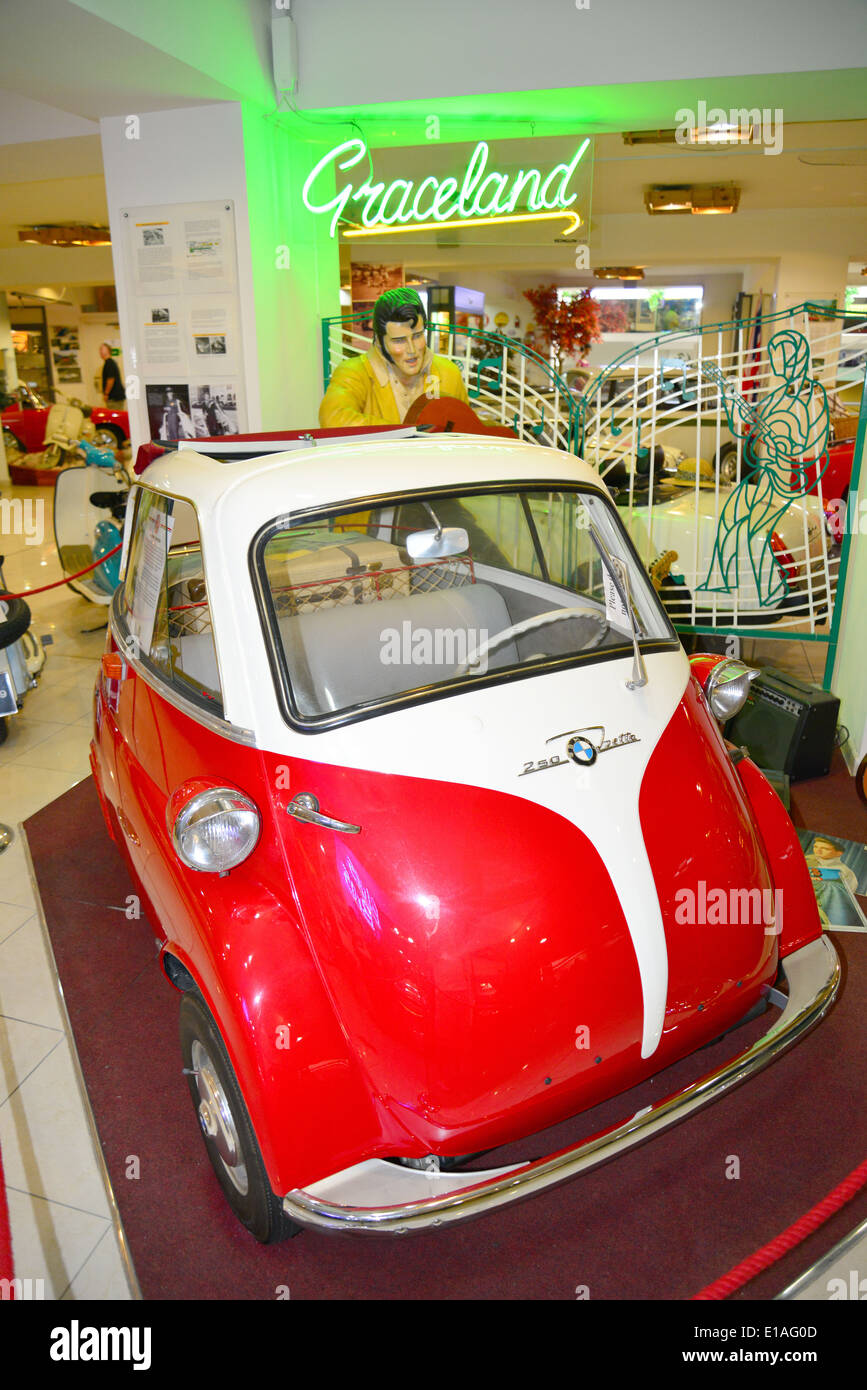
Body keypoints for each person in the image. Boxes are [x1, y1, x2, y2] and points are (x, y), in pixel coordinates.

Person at [319, 287, 469, 428]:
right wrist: (404, 436)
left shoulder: (448, 373)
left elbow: (468, 430)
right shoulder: (354, 373)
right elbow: (333, 418)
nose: (412, 350)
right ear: (379, 341)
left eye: (417, 336)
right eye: (399, 340)